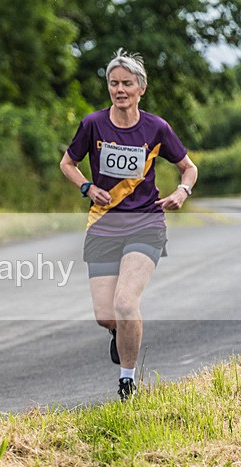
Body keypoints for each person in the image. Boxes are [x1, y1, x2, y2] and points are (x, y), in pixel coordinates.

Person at [59, 49, 197, 401]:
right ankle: (120, 335)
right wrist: (87, 186)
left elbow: (188, 167)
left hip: (145, 223)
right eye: (113, 83)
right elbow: (68, 163)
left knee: (124, 302)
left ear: (141, 88)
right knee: (107, 317)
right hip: (103, 224)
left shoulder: (156, 128)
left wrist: (183, 191)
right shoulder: (92, 124)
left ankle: (127, 380)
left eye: (126, 83)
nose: (119, 89)